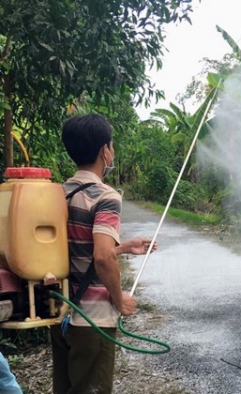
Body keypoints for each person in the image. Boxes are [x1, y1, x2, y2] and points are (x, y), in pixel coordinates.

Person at [51, 114, 157, 394]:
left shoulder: (58, 194)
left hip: (61, 315)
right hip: (93, 319)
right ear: (104, 151)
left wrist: (123, 247)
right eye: (112, 146)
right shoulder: (105, 196)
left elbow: (77, 246)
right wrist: (119, 300)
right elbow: (101, 257)